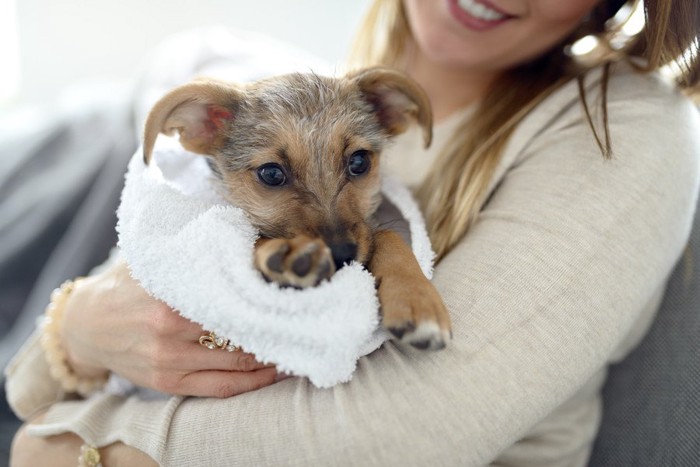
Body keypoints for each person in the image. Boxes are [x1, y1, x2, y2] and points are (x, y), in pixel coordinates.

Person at [7, 0, 700, 465]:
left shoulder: (621, 123)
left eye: (359, 167)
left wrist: (79, 448)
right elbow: (29, 384)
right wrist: (77, 328)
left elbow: (413, 428)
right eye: (277, 177)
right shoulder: (301, 109)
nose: (339, 225)